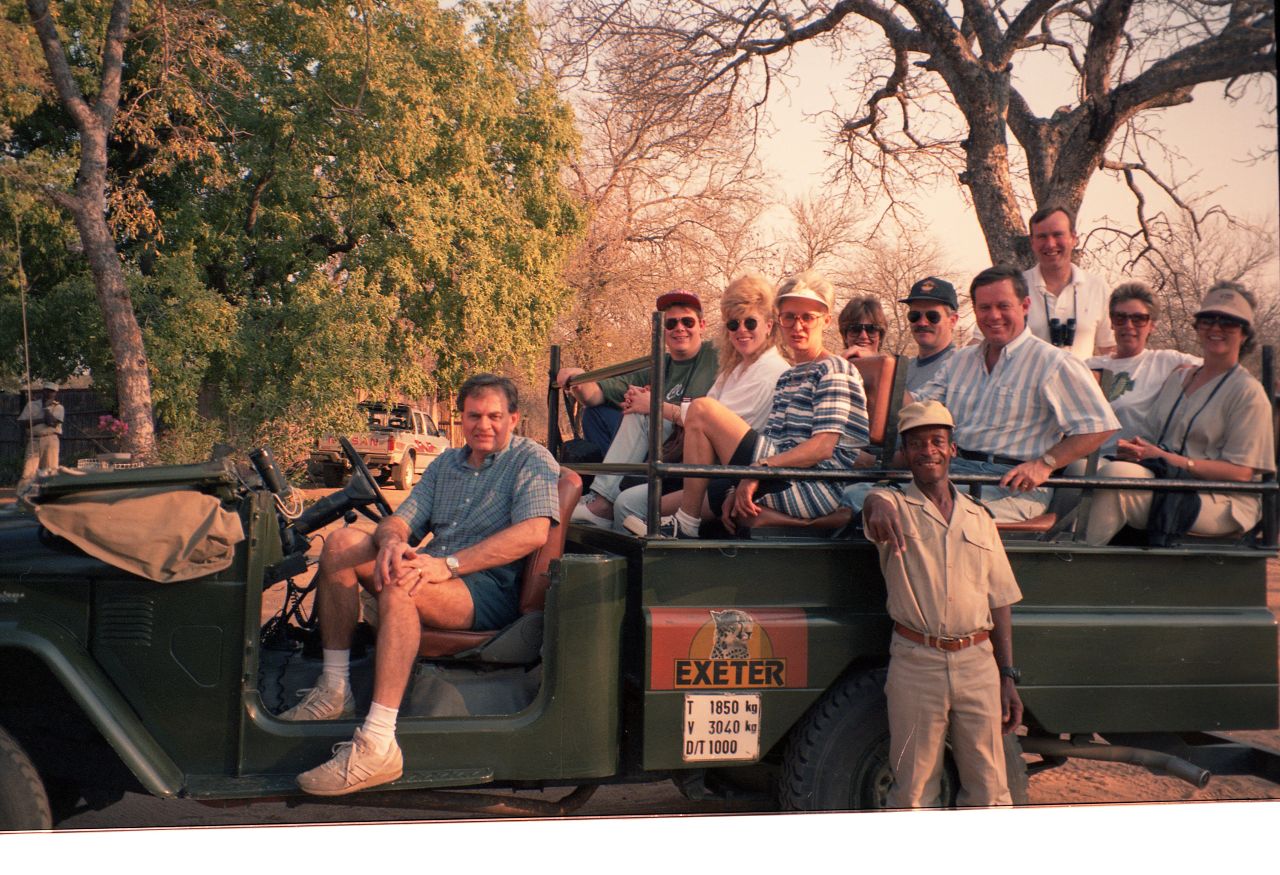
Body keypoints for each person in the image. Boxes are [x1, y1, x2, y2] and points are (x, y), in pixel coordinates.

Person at [286, 374, 560, 796]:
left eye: (494, 416)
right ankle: (335, 689)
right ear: (462, 418)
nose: (483, 425)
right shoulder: (447, 464)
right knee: (341, 544)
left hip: (487, 589)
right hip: (435, 571)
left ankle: (379, 743)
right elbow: (400, 519)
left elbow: (533, 532)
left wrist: (448, 565)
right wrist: (393, 542)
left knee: (402, 584)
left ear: (513, 418)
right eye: (474, 416)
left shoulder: (531, 459)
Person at [861, 400, 1023, 807]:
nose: (928, 451)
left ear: (952, 449)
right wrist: (875, 501)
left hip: (978, 663)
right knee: (913, 793)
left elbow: (1000, 599)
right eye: (917, 444)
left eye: (937, 441)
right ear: (905, 453)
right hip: (917, 662)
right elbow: (874, 504)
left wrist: (1006, 675)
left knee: (990, 791)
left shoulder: (979, 517)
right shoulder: (893, 505)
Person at [652, 270, 869, 538]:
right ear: (779, 321)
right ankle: (685, 521)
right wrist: (736, 487)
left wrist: (758, 471)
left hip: (813, 487)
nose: (797, 326)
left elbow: (822, 448)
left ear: (825, 320)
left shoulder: (833, 369)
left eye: (807, 317)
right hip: (781, 475)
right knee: (653, 501)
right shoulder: (789, 376)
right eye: (789, 317)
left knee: (702, 409)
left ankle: (686, 523)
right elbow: (775, 438)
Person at [911, 264, 1118, 522]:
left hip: (1012, 486)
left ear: (1025, 306)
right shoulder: (960, 361)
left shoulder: (1053, 363)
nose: (994, 316)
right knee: (870, 499)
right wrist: (873, 377)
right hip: (953, 474)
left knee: (926, 516)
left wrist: (1045, 464)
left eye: (1003, 306)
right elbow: (916, 408)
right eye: (984, 307)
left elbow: (1100, 426)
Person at [1084, 282, 1275, 546]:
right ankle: (1049, 546)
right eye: (1208, 320)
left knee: (1115, 477)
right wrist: (1136, 449)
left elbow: (1241, 473)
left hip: (1218, 499)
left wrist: (1166, 458)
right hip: (1167, 481)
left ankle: (1074, 560)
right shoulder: (1179, 378)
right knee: (1082, 468)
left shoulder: (1247, 392)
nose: (1216, 328)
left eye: (1228, 322)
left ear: (1244, 334)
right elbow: (1150, 437)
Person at [609, 274, 791, 530]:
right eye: (733, 324)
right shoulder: (734, 370)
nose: (741, 330)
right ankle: (604, 504)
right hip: (711, 470)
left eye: (750, 323)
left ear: (769, 326)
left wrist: (656, 406)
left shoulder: (771, 371)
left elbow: (707, 419)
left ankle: (684, 525)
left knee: (631, 505)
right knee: (627, 500)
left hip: (740, 475)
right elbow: (700, 417)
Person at [565, 289, 719, 528]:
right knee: (596, 413)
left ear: (702, 325)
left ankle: (603, 502)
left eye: (687, 322)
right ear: (662, 330)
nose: (679, 328)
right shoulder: (659, 364)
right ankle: (609, 491)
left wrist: (650, 404)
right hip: (659, 448)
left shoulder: (715, 355)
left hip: (695, 451)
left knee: (642, 411)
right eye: (671, 323)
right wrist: (576, 379)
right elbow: (595, 395)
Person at [1086, 282, 1200, 455]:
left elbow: (1220, 370)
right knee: (1076, 468)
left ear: (1152, 325)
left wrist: (1183, 375)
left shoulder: (1165, 361)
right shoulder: (1089, 366)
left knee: (1111, 470)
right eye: (1120, 317)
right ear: (1111, 322)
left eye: (1138, 319)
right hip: (1087, 457)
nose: (1128, 325)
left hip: (1136, 459)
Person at [1023, 206, 1115, 360]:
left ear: (1074, 238)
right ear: (1032, 242)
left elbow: (1110, 349)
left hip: (1082, 376)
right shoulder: (1015, 288)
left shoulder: (1097, 287)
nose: (1050, 244)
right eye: (1042, 236)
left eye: (1057, 234)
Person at [899, 276, 960, 393]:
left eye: (932, 316)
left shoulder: (959, 368)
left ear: (952, 321)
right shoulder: (902, 371)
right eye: (914, 316)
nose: (922, 323)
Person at [17, 381, 64, 487]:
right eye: (47, 390)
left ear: (55, 393)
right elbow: (22, 422)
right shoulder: (32, 405)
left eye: (52, 391)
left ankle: (50, 492)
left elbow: (52, 423)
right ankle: (24, 492)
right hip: (34, 439)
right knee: (28, 470)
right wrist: (41, 420)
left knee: (51, 469)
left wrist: (45, 409)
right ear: (43, 391)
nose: (49, 393)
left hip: (50, 439)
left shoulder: (58, 407)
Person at [838, 294, 888, 360]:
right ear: (845, 336)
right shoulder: (833, 365)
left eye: (871, 329)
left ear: (880, 337)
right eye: (855, 329)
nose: (863, 336)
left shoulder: (893, 365)